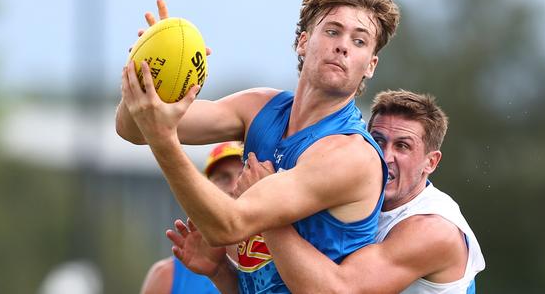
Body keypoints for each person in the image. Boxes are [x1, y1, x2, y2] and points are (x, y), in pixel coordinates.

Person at [116, 0, 400, 292]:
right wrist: (146, 75)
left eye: (359, 41)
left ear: (370, 65)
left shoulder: (350, 155)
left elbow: (229, 225)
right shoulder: (260, 107)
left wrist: (164, 141)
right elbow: (134, 129)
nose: (343, 47)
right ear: (303, 42)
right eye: (333, 31)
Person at [168, 90, 485, 293]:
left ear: (431, 162)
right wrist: (219, 271)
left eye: (403, 146)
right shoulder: (347, 205)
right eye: (378, 141)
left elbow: (338, 291)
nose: (386, 156)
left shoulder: (433, 230)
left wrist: (270, 216)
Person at [140, 141, 245, 294]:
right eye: (223, 177)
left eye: (243, 175)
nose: (234, 186)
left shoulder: (279, 263)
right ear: (204, 191)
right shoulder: (167, 276)